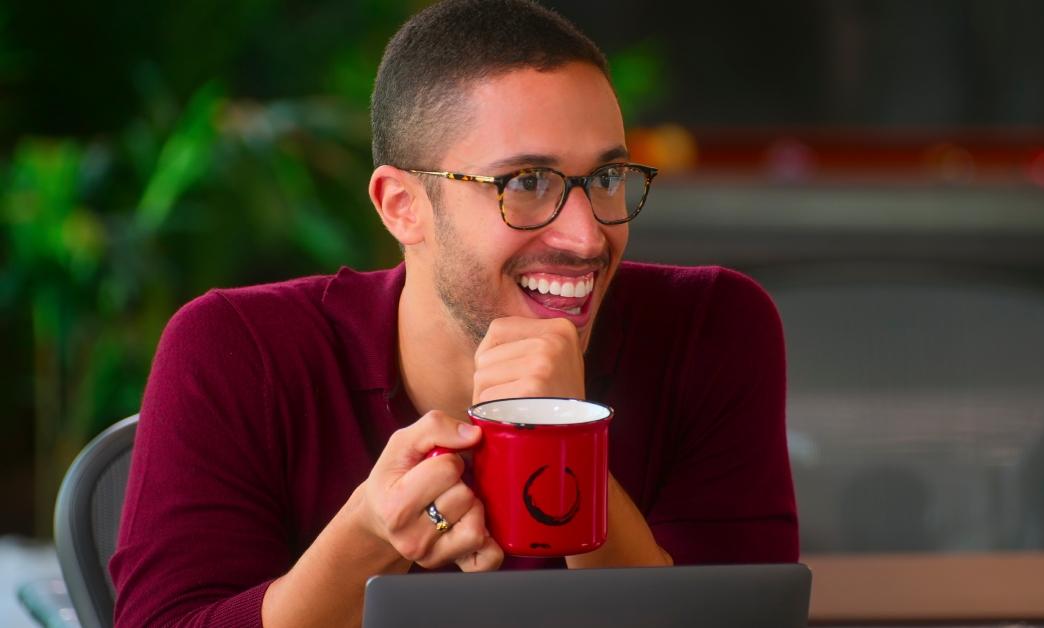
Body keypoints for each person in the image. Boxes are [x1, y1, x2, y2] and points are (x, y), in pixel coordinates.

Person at [110, 0, 798, 625]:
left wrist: (565, 443)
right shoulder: (237, 348)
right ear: (401, 207)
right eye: (527, 183)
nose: (589, 237)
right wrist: (367, 538)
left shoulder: (711, 326)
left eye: (607, 179)